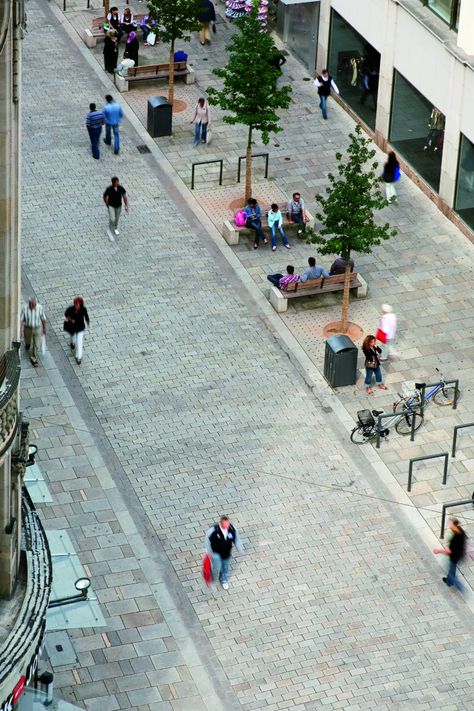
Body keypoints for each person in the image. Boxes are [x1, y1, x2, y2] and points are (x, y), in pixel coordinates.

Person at [205, 515, 243, 590]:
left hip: (226, 552)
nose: (227, 527)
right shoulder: (213, 530)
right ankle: (211, 576)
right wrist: (208, 552)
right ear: (221, 523)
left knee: (225, 567)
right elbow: (207, 540)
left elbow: (236, 539)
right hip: (216, 552)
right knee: (216, 567)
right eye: (225, 525)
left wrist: (239, 548)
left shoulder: (232, 529)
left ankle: (223, 579)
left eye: (228, 524)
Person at [434, 518, 467, 592]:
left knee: (452, 572)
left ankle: (462, 588)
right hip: (459, 554)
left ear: (454, 525)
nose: (449, 525)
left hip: (454, 556)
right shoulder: (460, 531)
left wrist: (438, 551)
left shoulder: (455, 539)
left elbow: (449, 551)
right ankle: (449, 581)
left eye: (451, 524)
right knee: (452, 570)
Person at [20, 297, 46, 368]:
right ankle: (27, 344)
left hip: (37, 328)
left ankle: (33, 358)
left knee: (36, 344)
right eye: (30, 304)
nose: (31, 306)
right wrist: (20, 331)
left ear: (36, 304)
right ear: (29, 303)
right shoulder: (25, 308)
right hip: (28, 327)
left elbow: (43, 318)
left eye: (33, 305)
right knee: (27, 341)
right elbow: (21, 320)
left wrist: (44, 328)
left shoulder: (40, 308)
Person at [64, 297, 90, 366]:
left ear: (80, 304)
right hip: (72, 327)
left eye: (78, 305)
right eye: (75, 304)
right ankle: (72, 343)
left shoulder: (83, 309)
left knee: (79, 342)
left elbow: (86, 316)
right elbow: (66, 314)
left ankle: (78, 357)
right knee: (73, 338)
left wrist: (87, 322)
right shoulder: (71, 309)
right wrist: (70, 319)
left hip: (80, 328)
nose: (76, 306)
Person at [103, 176, 129, 241]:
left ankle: (115, 228)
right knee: (112, 218)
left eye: (118, 182)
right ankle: (111, 225)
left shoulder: (121, 188)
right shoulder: (109, 189)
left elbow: (124, 197)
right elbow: (104, 196)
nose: (117, 183)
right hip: (111, 205)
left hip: (118, 206)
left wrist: (126, 206)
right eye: (116, 182)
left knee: (116, 219)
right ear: (113, 183)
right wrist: (107, 204)